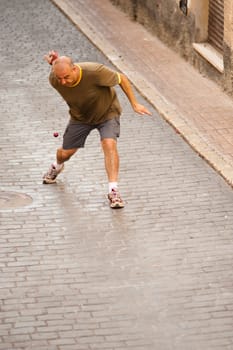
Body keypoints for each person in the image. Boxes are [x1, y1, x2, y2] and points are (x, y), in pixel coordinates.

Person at [43, 51, 151, 208]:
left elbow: (122, 78)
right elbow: (58, 69)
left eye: (66, 77)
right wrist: (54, 64)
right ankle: (56, 166)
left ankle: (113, 191)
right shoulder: (55, 79)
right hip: (80, 118)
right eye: (60, 79)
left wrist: (135, 104)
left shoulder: (95, 72)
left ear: (74, 69)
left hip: (107, 112)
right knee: (65, 153)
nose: (63, 82)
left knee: (109, 144)